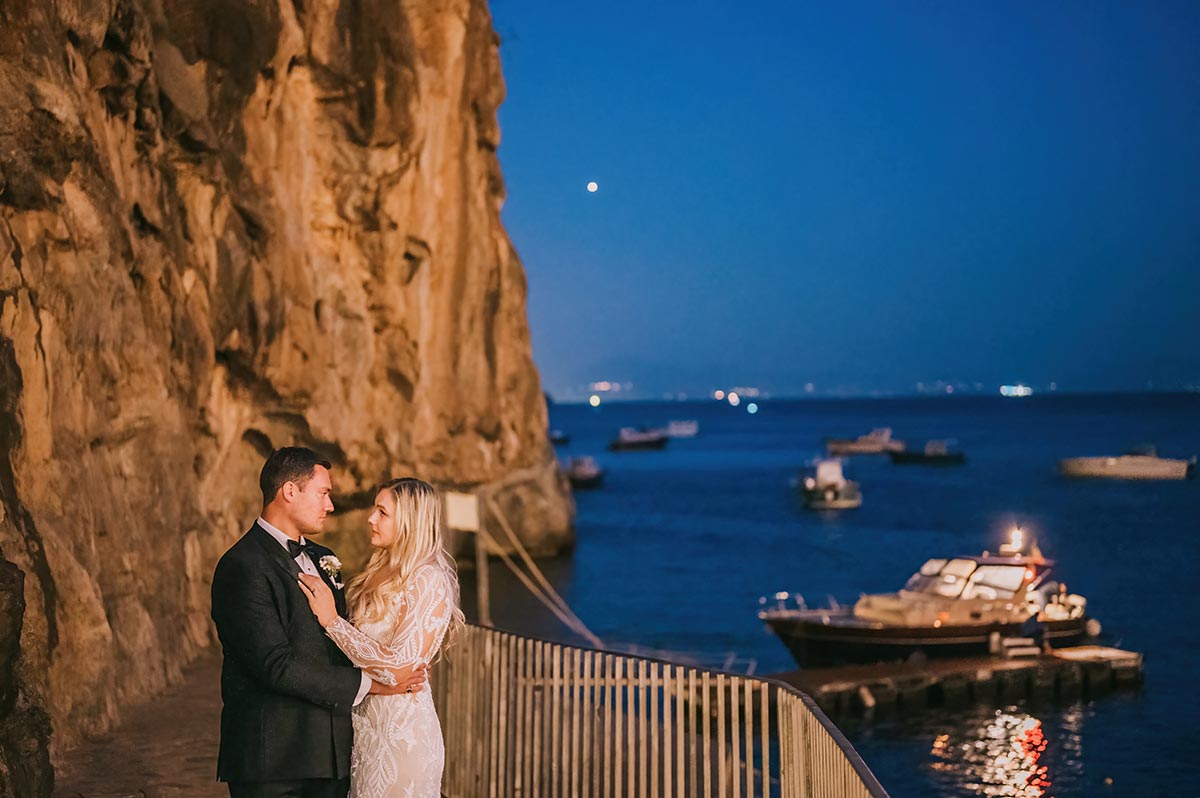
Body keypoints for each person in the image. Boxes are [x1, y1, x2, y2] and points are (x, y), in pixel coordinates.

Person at [211, 448, 427, 798]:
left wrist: (401, 652)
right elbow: (275, 666)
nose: (330, 505)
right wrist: (373, 684)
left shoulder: (323, 557)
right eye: (324, 493)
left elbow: (340, 640)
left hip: (333, 757)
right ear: (290, 492)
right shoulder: (242, 565)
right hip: (274, 762)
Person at [297, 477, 464, 798]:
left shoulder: (428, 578)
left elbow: (398, 666)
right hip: (366, 731)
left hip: (402, 736)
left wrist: (332, 621)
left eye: (382, 512)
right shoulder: (378, 572)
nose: (370, 519)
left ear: (410, 521)